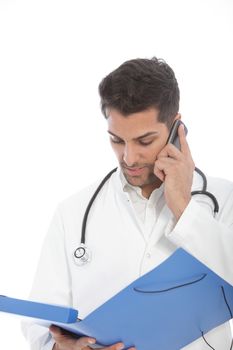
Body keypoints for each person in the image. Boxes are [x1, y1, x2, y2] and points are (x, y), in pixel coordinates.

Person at [22, 57, 233, 350]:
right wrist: (60, 348)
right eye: (116, 140)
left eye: (144, 141)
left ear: (177, 128)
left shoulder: (225, 200)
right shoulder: (72, 213)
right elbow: (39, 323)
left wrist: (184, 208)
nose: (129, 158)